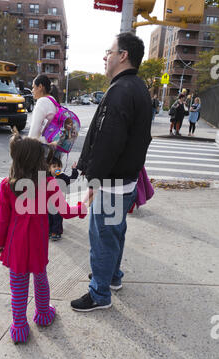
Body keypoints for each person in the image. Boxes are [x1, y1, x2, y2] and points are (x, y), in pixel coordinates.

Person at [70, 32, 152, 312]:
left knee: (103, 237)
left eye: (109, 51)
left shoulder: (120, 91)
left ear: (123, 55)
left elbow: (108, 141)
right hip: (124, 182)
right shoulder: (137, 87)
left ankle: (99, 294)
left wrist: (93, 179)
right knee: (114, 233)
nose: (105, 57)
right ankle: (112, 277)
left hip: (111, 183)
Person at [0, 134, 87, 343]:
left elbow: (3, 219)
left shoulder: (8, 185)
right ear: (39, 159)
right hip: (37, 243)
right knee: (40, 277)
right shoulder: (49, 183)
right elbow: (64, 211)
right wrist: (82, 207)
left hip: (15, 244)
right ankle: (43, 314)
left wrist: (0, 242)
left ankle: (19, 327)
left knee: (18, 287)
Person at [28, 74, 61, 157]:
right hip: (54, 148)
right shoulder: (53, 100)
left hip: (42, 150)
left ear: (40, 87)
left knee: (41, 170)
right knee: (52, 170)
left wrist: (27, 149)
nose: (32, 90)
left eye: (33, 87)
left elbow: (34, 130)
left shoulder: (42, 102)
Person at [48, 157, 79, 241]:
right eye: (54, 166)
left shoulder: (62, 176)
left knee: (57, 216)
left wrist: (74, 170)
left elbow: (71, 179)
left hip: (59, 201)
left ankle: (56, 232)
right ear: (49, 168)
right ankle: (50, 230)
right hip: (48, 202)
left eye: (59, 166)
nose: (57, 168)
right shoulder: (47, 177)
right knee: (49, 216)